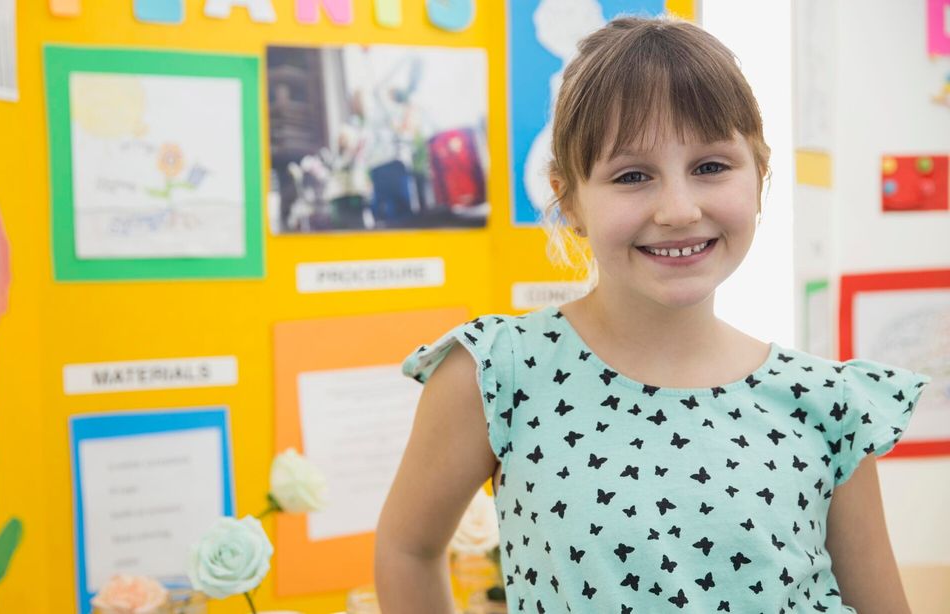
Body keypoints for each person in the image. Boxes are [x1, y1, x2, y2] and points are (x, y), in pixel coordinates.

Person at [374, 15, 932, 614]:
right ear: (570, 201)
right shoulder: (496, 373)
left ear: (760, 177)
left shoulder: (829, 402)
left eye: (711, 167)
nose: (678, 209)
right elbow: (407, 548)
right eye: (632, 175)